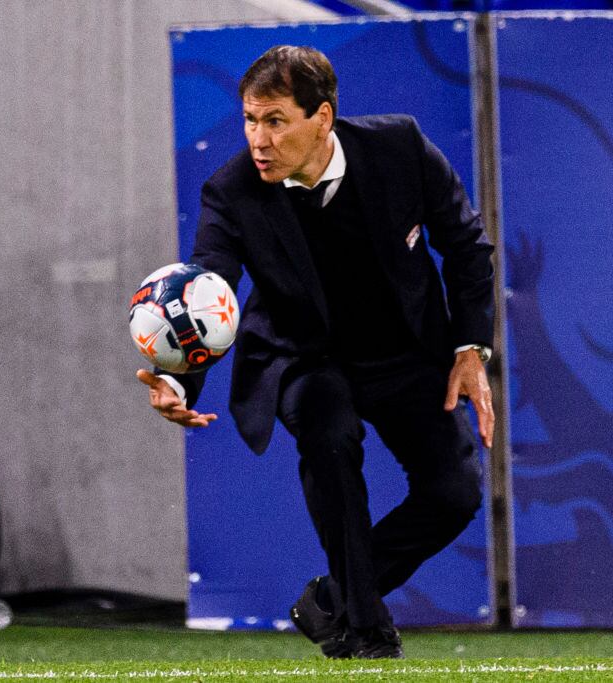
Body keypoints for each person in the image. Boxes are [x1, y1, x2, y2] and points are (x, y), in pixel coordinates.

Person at [137, 45, 494, 659]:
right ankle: (366, 628)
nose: (258, 138)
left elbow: (466, 247)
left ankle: (333, 599)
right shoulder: (232, 191)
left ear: (322, 118)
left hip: (403, 353)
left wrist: (470, 349)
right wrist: (179, 379)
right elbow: (206, 291)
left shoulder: (399, 149)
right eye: (250, 120)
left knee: (454, 493)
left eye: (274, 120)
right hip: (302, 358)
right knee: (331, 435)